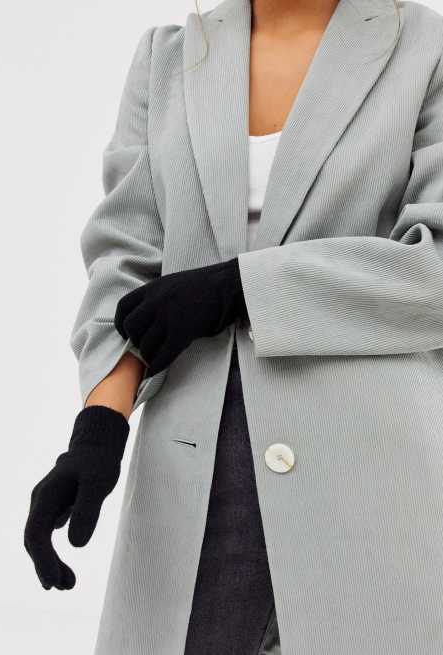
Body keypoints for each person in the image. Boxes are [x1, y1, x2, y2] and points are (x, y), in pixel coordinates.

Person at [24, 1, 443, 653]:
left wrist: (240, 287)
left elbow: (433, 267)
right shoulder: (166, 58)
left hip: (369, 480)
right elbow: (125, 259)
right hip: (193, 476)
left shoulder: (426, 47)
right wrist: (98, 429)